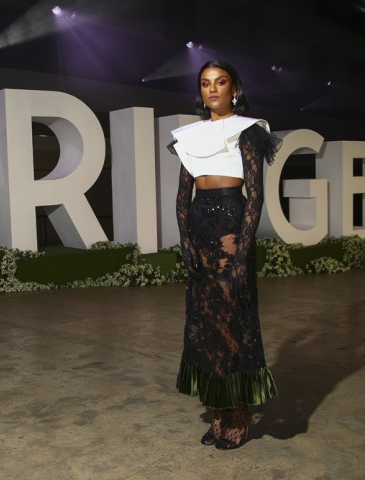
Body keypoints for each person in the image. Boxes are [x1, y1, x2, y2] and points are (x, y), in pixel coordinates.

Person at [168, 60, 280, 450]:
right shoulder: (189, 136)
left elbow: (256, 195)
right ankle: (219, 408)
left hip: (233, 226)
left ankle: (240, 411)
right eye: (205, 84)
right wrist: (186, 243)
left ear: (234, 88)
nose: (212, 89)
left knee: (231, 318)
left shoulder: (247, 131)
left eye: (220, 82)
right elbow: (183, 197)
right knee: (206, 320)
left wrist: (243, 248)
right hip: (200, 226)